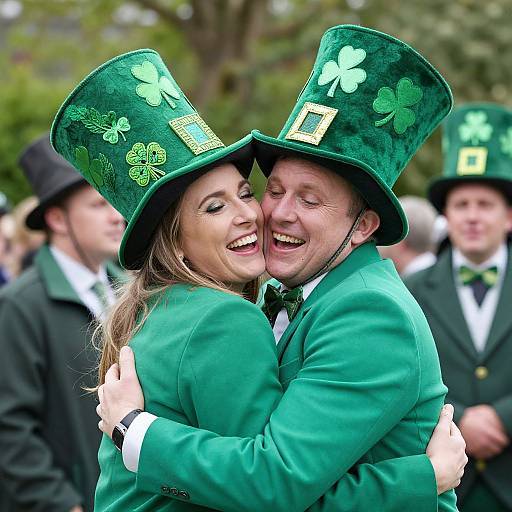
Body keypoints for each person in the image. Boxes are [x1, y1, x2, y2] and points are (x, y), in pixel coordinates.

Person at [95, 26, 467, 512]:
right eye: (272, 190)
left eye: (309, 200)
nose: (271, 213)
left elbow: (276, 484)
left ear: (362, 227)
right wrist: (423, 476)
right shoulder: (257, 300)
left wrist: (135, 432)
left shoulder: (370, 312)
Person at [0, 135, 125, 512]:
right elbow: (10, 428)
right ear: (57, 219)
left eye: (114, 201)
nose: (116, 215)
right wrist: (61, 504)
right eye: (98, 204)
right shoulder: (20, 306)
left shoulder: (133, 289)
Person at [406, 103, 512, 512]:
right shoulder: (411, 290)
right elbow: (407, 374)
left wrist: (503, 417)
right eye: (461, 205)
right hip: (449, 490)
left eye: (484, 205)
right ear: (446, 216)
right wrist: (462, 416)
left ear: (508, 217)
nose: (471, 217)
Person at [379, 195, 438, 276]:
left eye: (385, 234)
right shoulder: (443, 275)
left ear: (399, 238)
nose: (378, 245)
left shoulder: (411, 284)